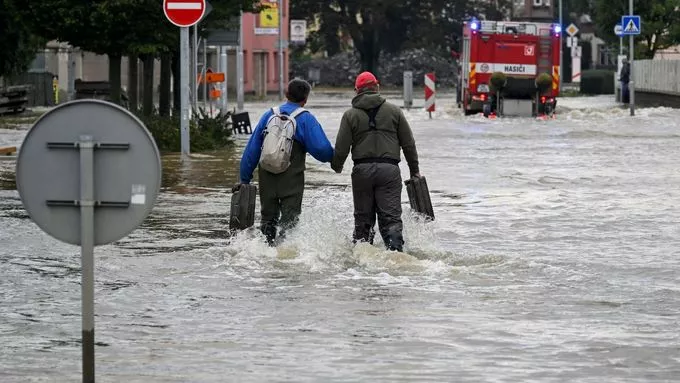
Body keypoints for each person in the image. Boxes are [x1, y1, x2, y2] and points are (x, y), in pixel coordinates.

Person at [331, 71, 421, 252]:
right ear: (377, 87)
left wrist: (337, 166)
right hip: (389, 171)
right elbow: (408, 144)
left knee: (363, 220)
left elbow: (341, 148)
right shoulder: (395, 111)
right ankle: (395, 254)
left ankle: (362, 258)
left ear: (357, 91)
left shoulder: (350, 115)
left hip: (362, 171)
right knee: (391, 218)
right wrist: (414, 171)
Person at [237, 79, 334, 246]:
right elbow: (322, 150)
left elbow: (252, 150)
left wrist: (244, 179)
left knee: (268, 220)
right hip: (291, 181)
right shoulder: (305, 119)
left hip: (267, 178)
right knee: (289, 224)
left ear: (286, 94)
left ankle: (266, 252)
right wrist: (335, 159)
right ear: (305, 99)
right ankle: (284, 258)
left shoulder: (268, 115)